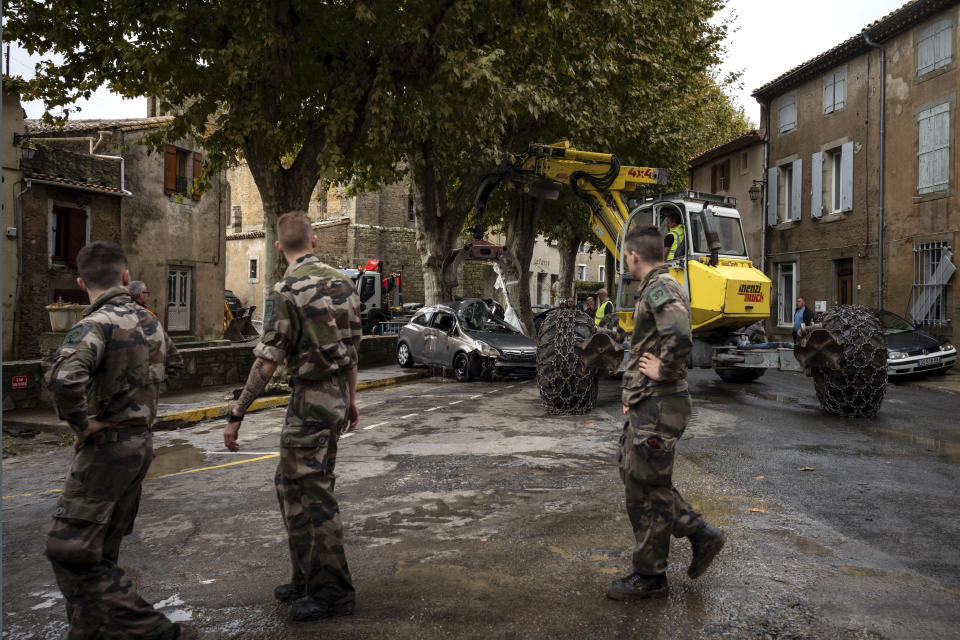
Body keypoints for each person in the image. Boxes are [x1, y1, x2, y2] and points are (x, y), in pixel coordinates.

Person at [43, 242, 193, 639]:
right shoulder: (149, 320)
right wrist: (139, 401)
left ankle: (155, 632)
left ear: (80, 282)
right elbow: (174, 365)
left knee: (69, 550)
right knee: (100, 553)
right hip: (139, 446)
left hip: (108, 450)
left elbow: (64, 379)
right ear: (126, 277)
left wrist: (83, 424)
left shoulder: (96, 324)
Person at [224, 212, 362, 622]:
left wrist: (237, 411)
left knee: (313, 496)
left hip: (309, 403)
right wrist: (350, 401)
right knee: (291, 488)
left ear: (280, 247)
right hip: (334, 397)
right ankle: (306, 578)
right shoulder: (345, 284)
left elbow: (267, 362)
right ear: (314, 241)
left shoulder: (284, 291)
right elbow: (354, 350)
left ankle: (334, 593)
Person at [609, 225, 725, 601]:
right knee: (635, 476)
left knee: (647, 488)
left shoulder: (660, 287)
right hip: (650, 403)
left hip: (661, 403)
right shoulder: (658, 286)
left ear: (633, 256)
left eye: (625, 255)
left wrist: (663, 371)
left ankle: (651, 576)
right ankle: (699, 534)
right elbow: (654, 341)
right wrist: (635, 393)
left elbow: (680, 335)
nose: (625, 260)